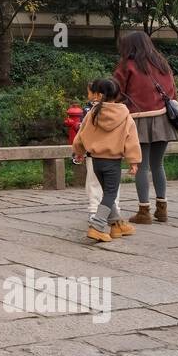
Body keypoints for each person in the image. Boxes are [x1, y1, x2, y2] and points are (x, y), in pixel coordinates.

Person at [114, 30, 178, 225]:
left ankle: (144, 211)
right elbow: (173, 92)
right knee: (158, 164)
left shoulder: (127, 66)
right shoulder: (162, 63)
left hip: (139, 120)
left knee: (141, 166)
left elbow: (117, 92)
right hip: (164, 119)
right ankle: (162, 208)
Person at [71, 78, 140, 243]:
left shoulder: (93, 113)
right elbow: (131, 140)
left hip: (96, 162)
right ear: (117, 95)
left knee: (107, 192)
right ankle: (97, 227)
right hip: (112, 162)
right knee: (110, 194)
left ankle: (117, 225)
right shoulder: (124, 115)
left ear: (99, 95)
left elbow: (81, 135)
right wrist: (134, 161)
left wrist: (78, 151)